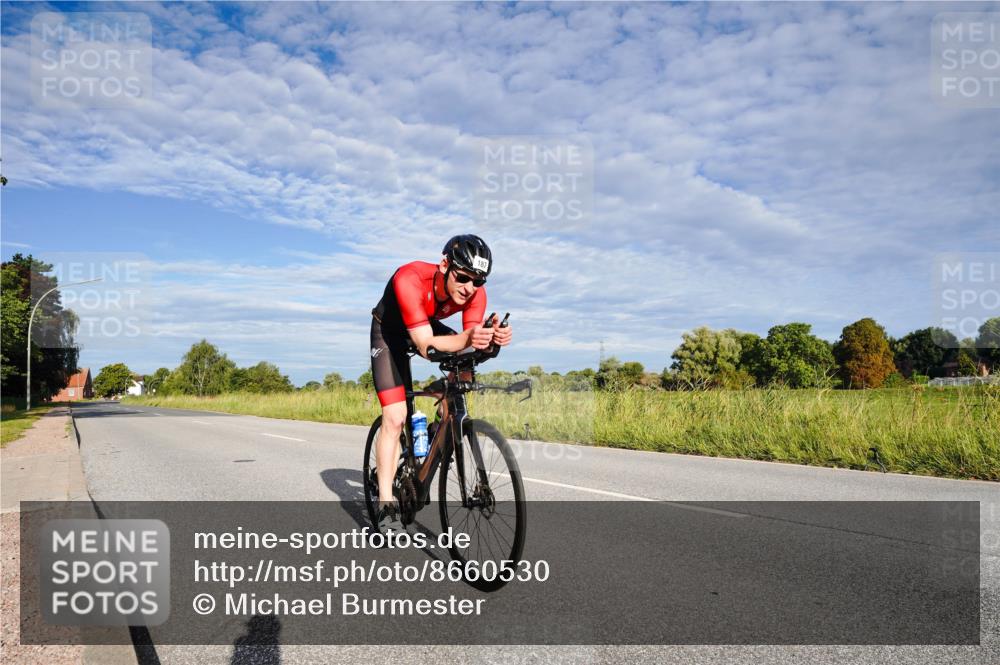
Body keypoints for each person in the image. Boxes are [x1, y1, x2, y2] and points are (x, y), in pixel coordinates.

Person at [369, 235, 512, 527]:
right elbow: (425, 345)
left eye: (478, 282)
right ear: (445, 264)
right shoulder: (410, 277)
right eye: (462, 278)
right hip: (391, 333)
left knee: (466, 367)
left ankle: (441, 425)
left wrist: (492, 340)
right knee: (395, 417)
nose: (469, 288)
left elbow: (469, 345)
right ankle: (385, 503)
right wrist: (471, 338)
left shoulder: (474, 293)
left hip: (425, 323)